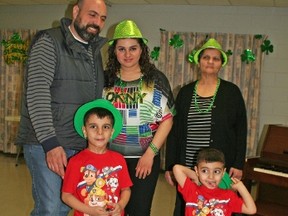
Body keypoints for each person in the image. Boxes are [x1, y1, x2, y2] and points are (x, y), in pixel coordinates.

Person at [15, 0, 107, 215]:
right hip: (47, 142)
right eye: (92, 14)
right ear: (76, 11)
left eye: (102, 18)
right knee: (51, 208)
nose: (97, 22)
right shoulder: (49, 42)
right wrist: (50, 144)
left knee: (65, 206)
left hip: (76, 143)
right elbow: (37, 93)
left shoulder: (93, 52)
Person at [165, 38, 248, 215]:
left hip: (216, 170)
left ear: (221, 64)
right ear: (198, 61)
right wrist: (170, 166)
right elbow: (174, 131)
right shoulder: (186, 92)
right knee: (187, 207)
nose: (210, 61)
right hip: (189, 166)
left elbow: (241, 129)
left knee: (219, 207)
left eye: (215, 58)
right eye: (206, 57)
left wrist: (238, 163)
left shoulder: (231, 92)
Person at [103, 19, 175, 216]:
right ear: (114, 51)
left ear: (141, 50)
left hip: (144, 159)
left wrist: (150, 153)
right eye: (121, 49)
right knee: (110, 210)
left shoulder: (155, 79)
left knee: (139, 211)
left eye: (133, 48)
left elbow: (167, 119)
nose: (127, 54)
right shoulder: (105, 80)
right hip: (110, 159)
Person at [62, 99, 133, 216]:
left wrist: (120, 205)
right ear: (84, 131)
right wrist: (90, 211)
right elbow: (66, 196)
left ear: (112, 132)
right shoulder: (75, 162)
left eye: (105, 127)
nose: (100, 132)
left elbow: (126, 189)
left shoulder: (119, 159)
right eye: (93, 126)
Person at [173, 148, 256, 216]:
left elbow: (251, 210)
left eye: (216, 171)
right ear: (197, 170)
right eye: (205, 171)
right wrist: (197, 177)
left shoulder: (228, 197)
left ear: (223, 172)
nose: (211, 177)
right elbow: (177, 169)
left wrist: (241, 187)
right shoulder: (191, 190)